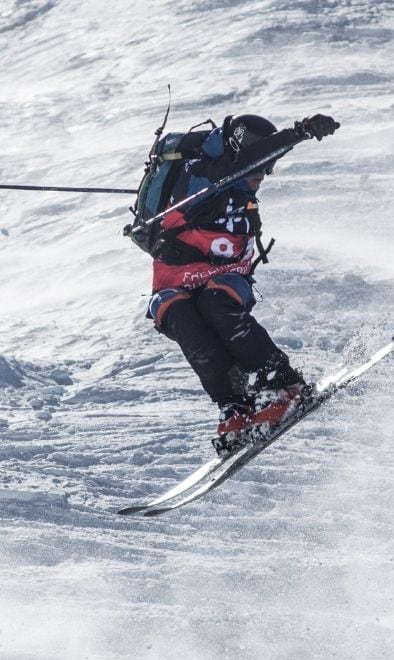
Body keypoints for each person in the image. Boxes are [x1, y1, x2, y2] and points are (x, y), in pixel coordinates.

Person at [142, 112, 340, 451]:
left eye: (268, 167)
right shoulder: (203, 172)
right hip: (176, 273)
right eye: (261, 166)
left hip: (224, 270)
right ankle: (234, 405)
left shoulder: (232, 170)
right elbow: (247, 161)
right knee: (183, 319)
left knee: (216, 305)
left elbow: (256, 156)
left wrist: (297, 137)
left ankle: (283, 386)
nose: (264, 175)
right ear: (237, 153)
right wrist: (300, 131)